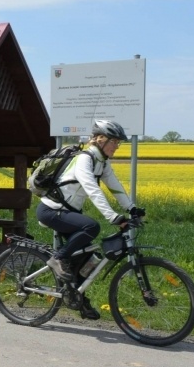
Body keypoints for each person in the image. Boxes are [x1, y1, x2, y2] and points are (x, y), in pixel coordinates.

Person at [37, 120, 145, 320]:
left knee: (86, 258)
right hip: (51, 210)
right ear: (101, 140)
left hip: (66, 212)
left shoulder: (102, 163)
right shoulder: (84, 159)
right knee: (91, 226)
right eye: (114, 142)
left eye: (118, 143)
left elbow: (115, 187)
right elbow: (92, 189)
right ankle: (58, 258)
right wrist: (113, 216)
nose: (117, 146)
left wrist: (131, 208)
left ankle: (78, 298)